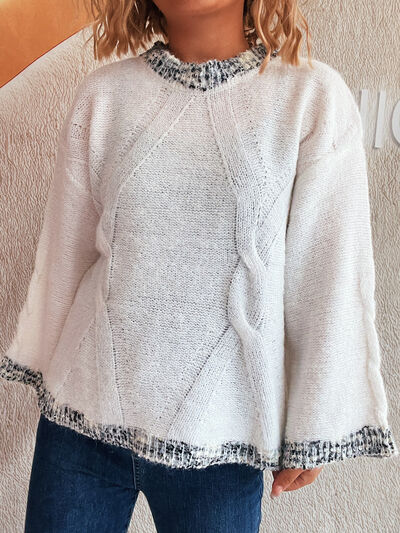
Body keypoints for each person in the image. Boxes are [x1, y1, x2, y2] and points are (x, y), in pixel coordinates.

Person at [1, 0, 398, 531]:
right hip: (80, 424)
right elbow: (65, 253)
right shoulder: (104, 95)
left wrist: (316, 421)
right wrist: (41, 362)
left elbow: (328, 277)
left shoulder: (310, 98)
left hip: (222, 439)